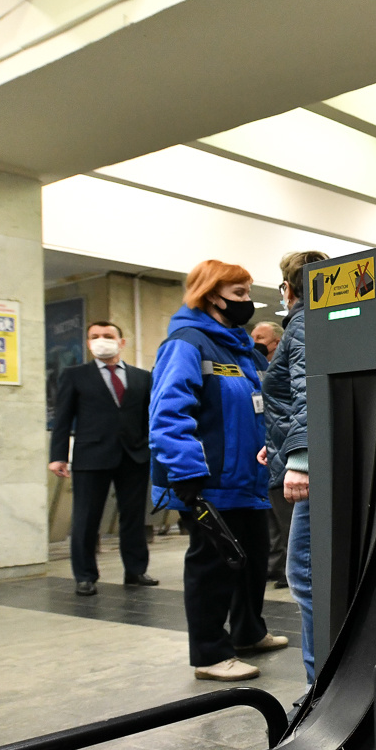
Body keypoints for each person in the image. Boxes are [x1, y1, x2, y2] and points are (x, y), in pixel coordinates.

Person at [149, 261, 289, 681]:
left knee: (251, 560)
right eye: (241, 294)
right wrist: (188, 473)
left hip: (249, 479)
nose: (248, 302)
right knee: (212, 564)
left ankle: (248, 631)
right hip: (209, 481)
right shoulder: (187, 344)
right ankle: (209, 654)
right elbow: (168, 413)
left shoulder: (239, 349)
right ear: (213, 295)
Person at [49, 320, 158, 596]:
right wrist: (58, 456)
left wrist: (152, 449)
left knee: (133, 517)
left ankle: (135, 570)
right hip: (91, 455)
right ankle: (85, 575)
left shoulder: (141, 377)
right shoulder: (75, 375)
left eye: (108, 336)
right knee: (86, 518)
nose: (101, 340)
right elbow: (62, 418)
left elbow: (150, 417)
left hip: (134, 455)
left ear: (121, 342)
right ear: (88, 343)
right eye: (94, 336)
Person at [264, 249, 325, 682]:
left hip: (314, 466)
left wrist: (300, 459)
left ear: (288, 288)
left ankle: (317, 693)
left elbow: (306, 391)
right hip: (310, 454)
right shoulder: (327, 322)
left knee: (303, 574)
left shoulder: (302, 324)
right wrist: (280, 446)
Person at [251, 319, 291, 588]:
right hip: (265, 449)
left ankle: (289, 567)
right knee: (270, 517)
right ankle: (274, 565)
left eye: (260, 337)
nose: (254, 341)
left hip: (284, 451)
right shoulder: (252, 369)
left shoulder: (286, 367)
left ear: (277, 342)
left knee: (287, 519)